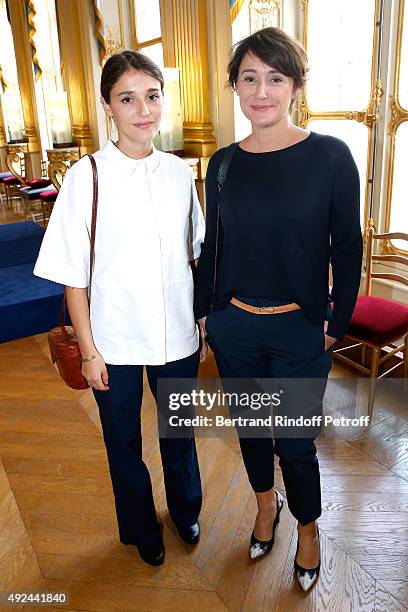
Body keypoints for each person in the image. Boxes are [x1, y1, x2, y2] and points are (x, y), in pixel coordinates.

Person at [195, 27, 362, 591]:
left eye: (275, 78)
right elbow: (210, 247)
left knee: (294, 442)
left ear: (294, 86)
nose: (260, 90)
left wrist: (334, 327)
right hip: (234, 326)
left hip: (299, 332)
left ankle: (308, 528)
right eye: (249, 78)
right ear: (235, 88)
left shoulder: (331, 156)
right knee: (250, 432)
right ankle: (265, 509)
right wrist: (207, 315)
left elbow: (347, 246)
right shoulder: (221, 165)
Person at [34, 50, 205, 567]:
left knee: (178, 432)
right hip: (112, 340)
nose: (143, 110)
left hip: (177, 334)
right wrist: (88, 351)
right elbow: (73, 279)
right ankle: (139, 527)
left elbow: (194, 255)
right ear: (108, 106)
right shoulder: (86, 178)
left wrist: (199, 320)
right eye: (127, 99)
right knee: (123, 441)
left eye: (152, 96)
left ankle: (185, 508)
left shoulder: (179, 174)